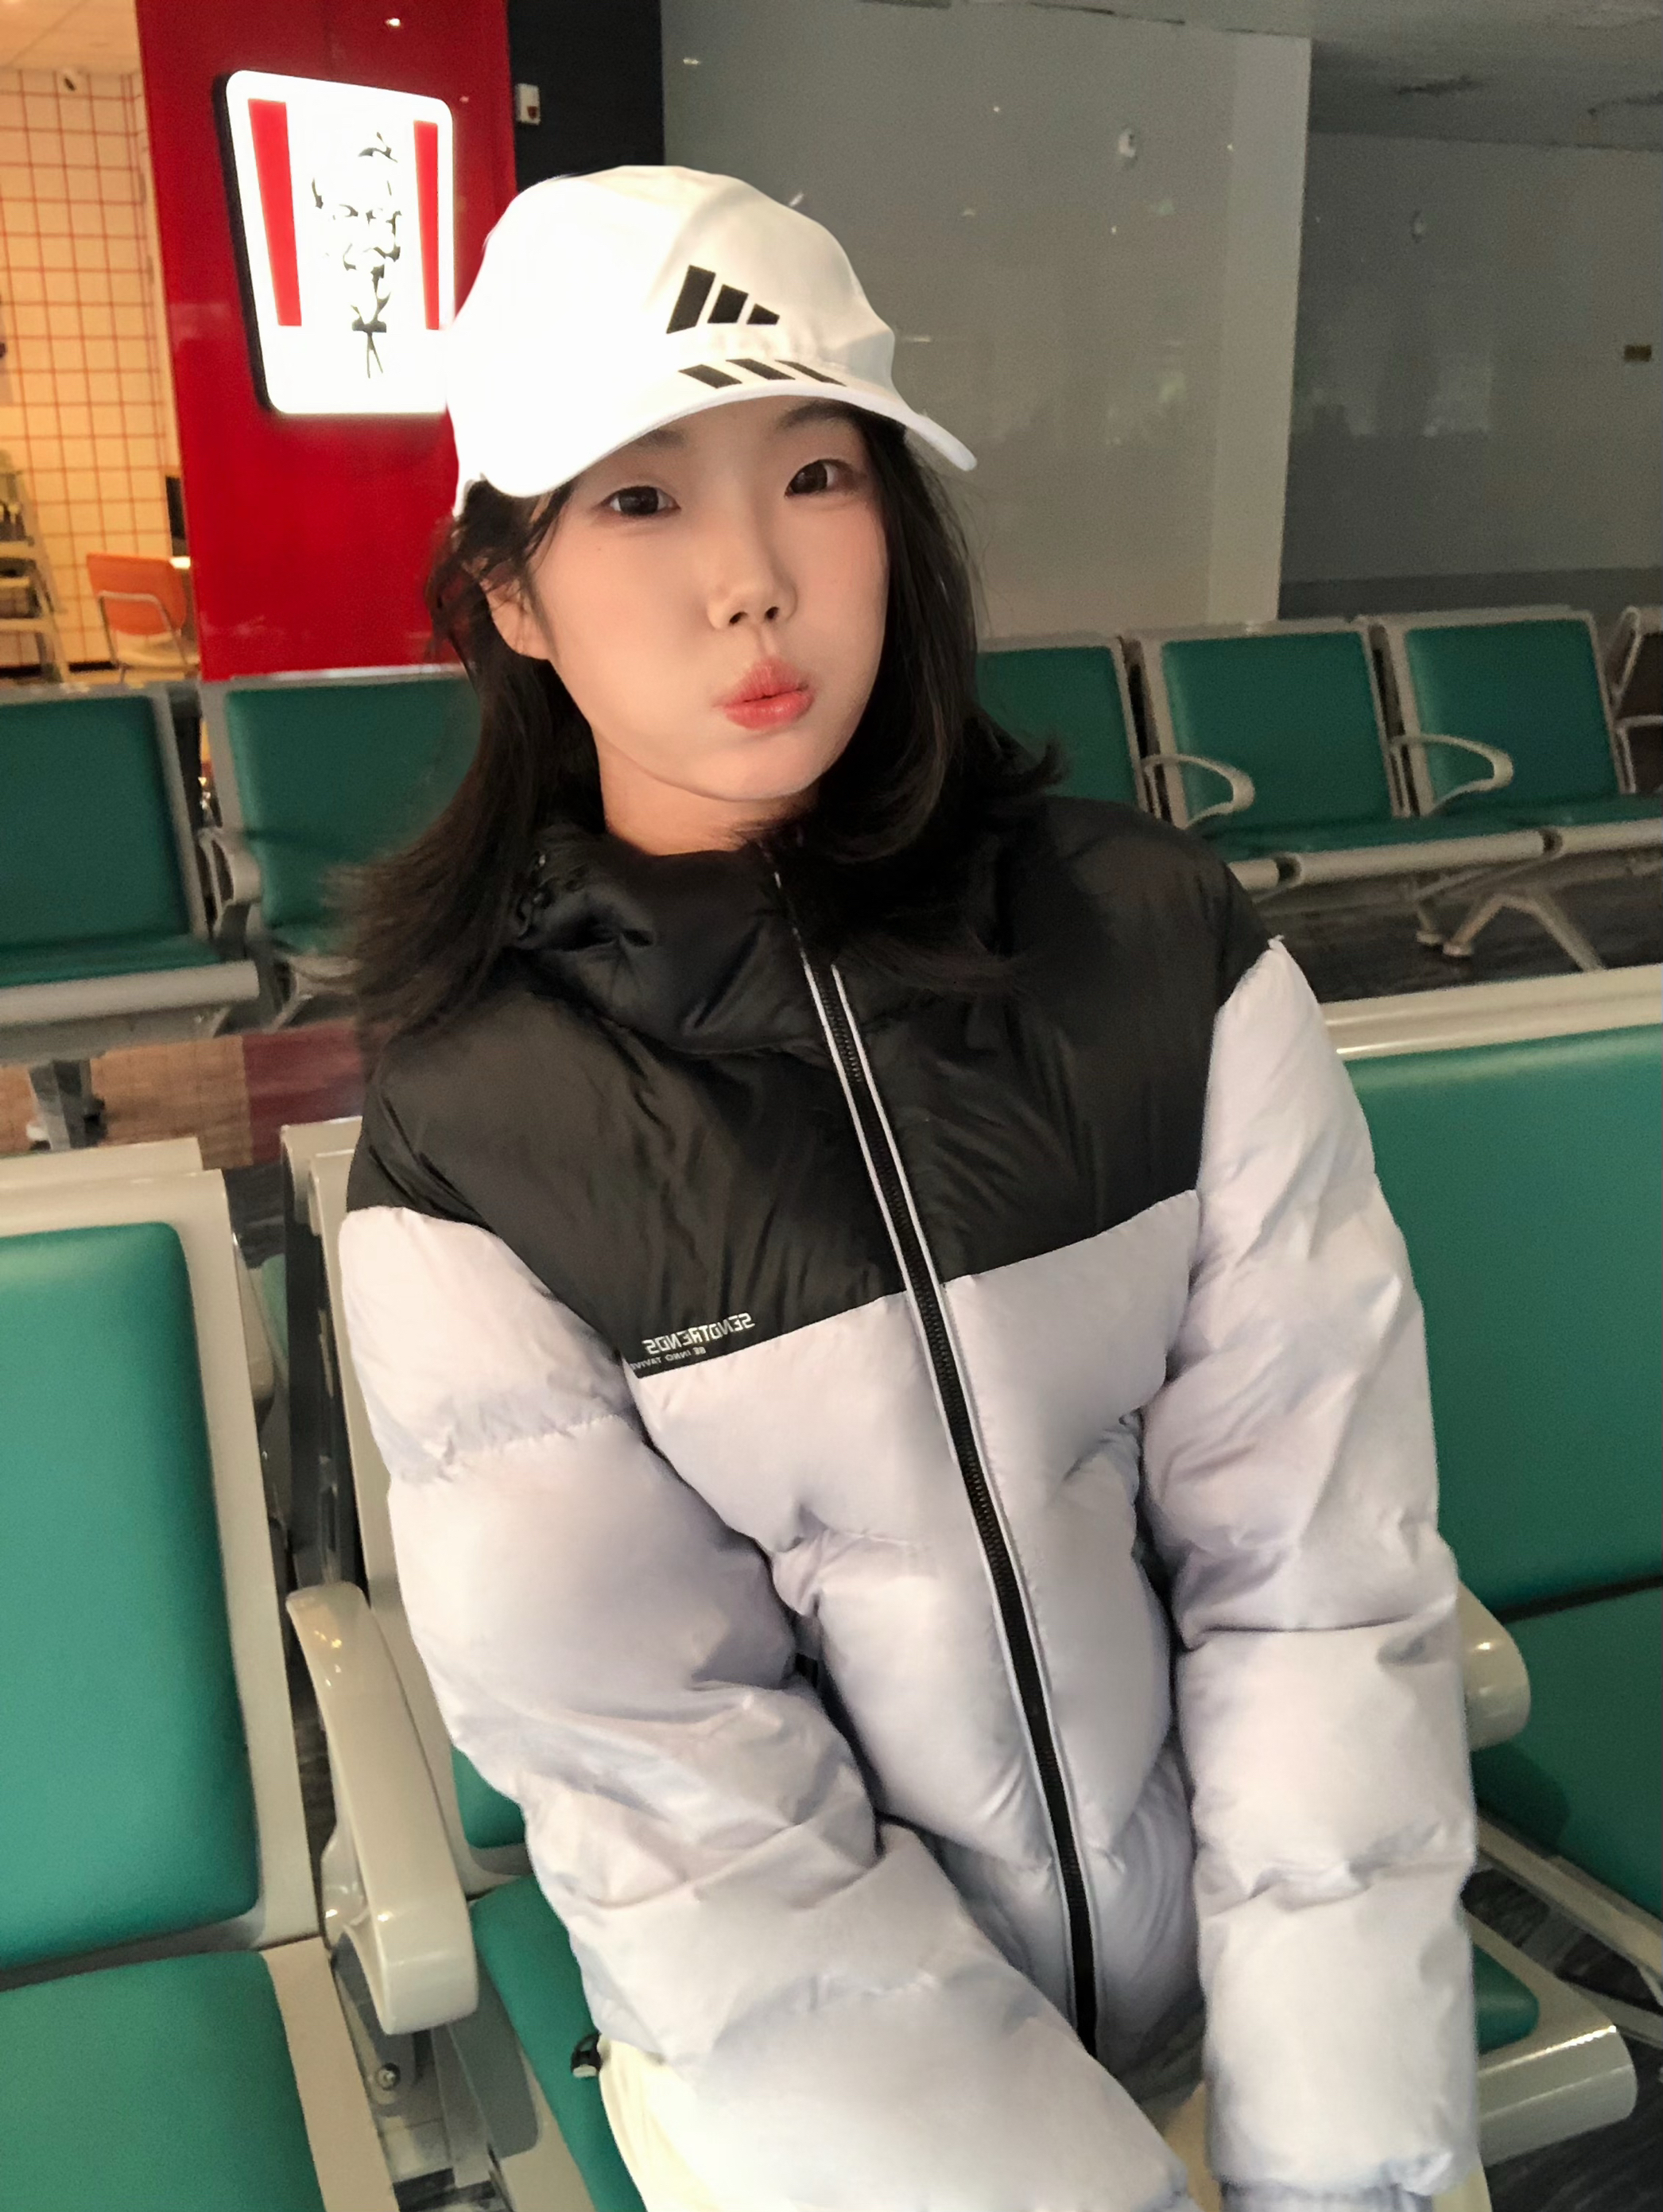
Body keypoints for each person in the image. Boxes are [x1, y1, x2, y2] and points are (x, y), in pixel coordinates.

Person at [339, 166, 1483, 2212]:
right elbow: (680, 1804)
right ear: (507, 593)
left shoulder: (1160, 952)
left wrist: (1341, 2170)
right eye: (640, 499)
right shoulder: (474, 1138)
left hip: (1244, 1987)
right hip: (827, 2096)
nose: (752, 583)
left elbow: (1315, 1580)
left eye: (816, 474)